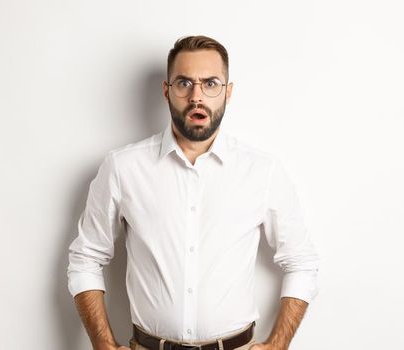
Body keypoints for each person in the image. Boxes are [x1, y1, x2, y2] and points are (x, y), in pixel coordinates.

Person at [67, 35, 320, 350]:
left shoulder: (262, 171)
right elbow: (85, 258)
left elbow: (302, 262)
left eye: (211, 83)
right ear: (166, 91)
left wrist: (278, 343)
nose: (197, 96)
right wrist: (102, 343)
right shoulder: (123, 167)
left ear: (228, 93)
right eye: (184, 83)